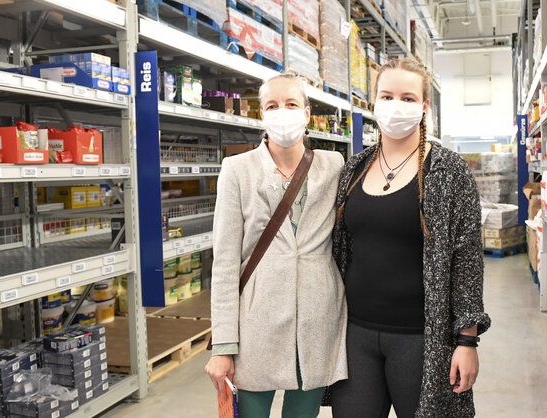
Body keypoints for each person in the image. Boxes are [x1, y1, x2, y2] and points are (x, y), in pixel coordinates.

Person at [329, 58, 491, 418]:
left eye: (407, 97)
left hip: (421, 338)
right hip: (356, 334)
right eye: (386, 96)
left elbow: (466, 261)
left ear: (423, 106)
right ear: (373, 102)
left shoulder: (448, 170)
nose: (395, 106)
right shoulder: (354, 169)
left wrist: (466, 340)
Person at [205, 74, 348, 418]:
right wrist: (223, 345)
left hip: (318, 321)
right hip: (257, 323)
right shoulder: (237, 170)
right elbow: (224, 264)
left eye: (291, 104)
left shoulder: (334, 166)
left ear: (307, 113)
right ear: (261, 115)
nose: (282, 112)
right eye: (272, 105)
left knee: (303, 413)